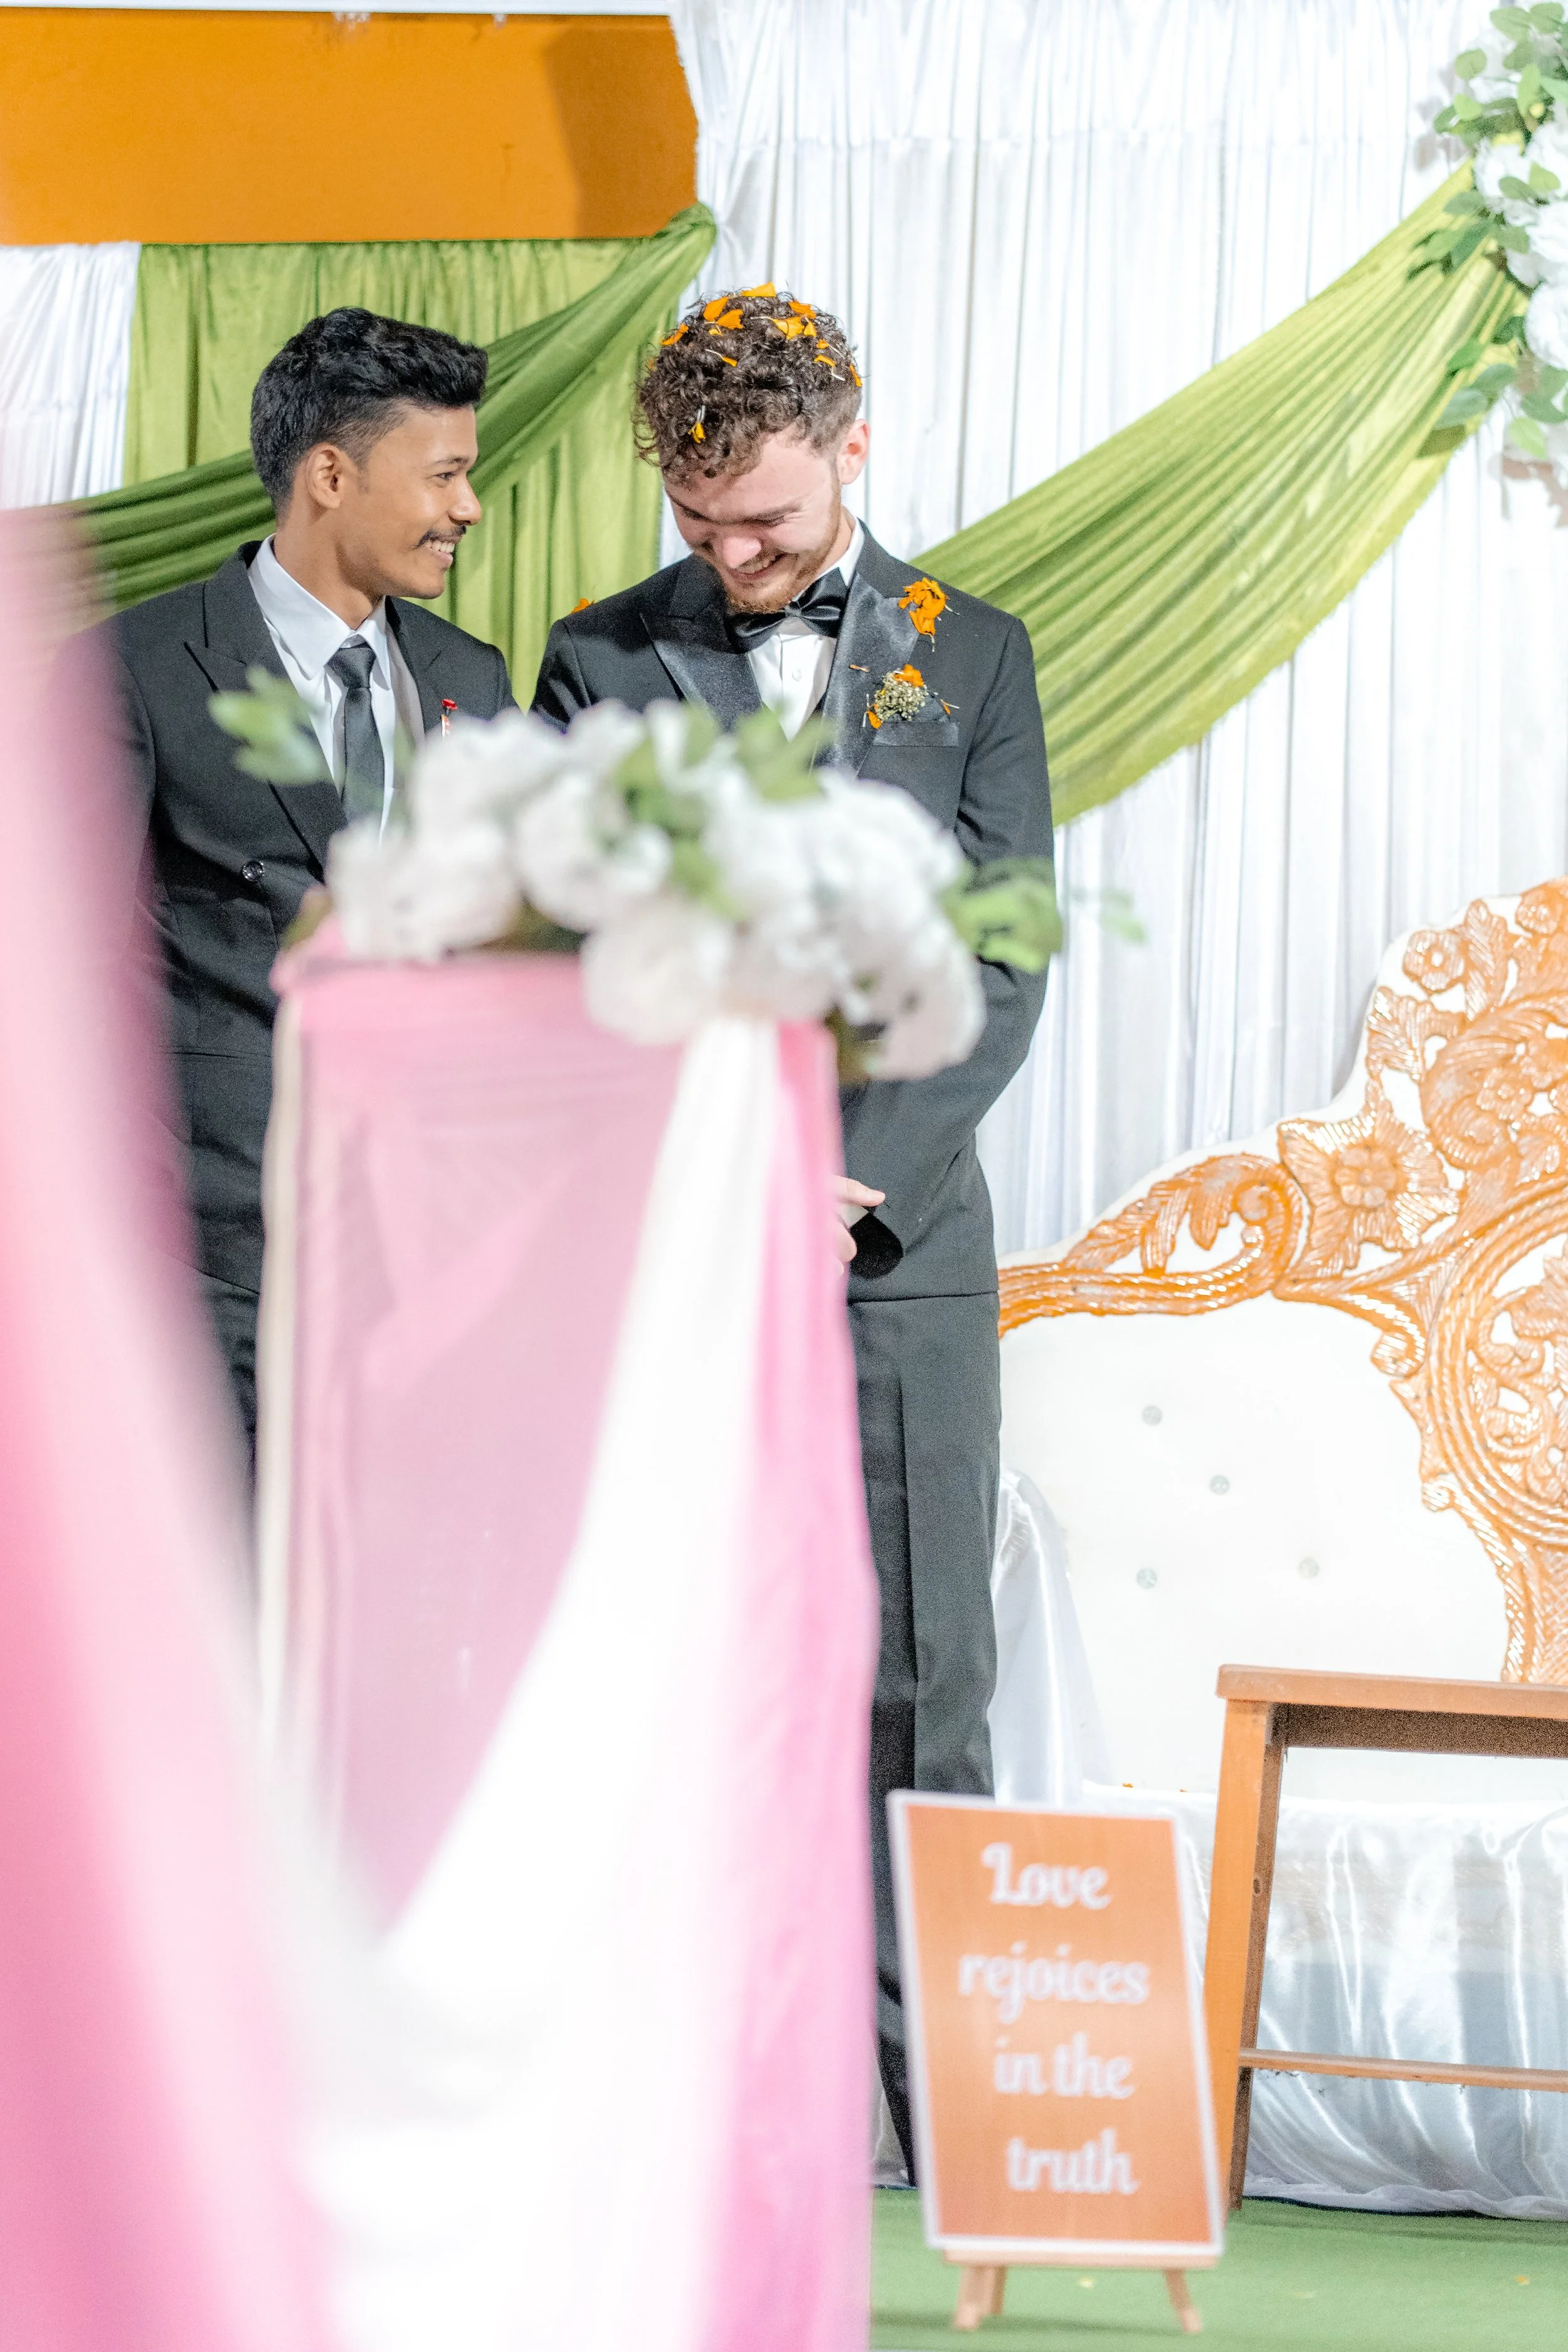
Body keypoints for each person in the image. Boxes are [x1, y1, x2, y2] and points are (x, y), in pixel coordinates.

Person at [532, 288, 1053, 2177]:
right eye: (702, 530)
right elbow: (579, 955)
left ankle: (938, 2123)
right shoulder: (595, 660)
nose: (737, 563)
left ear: (853, 445)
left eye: (765, 522)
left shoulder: (965, 650)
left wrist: (861, 1176)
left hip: (900, 1245)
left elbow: (1002, 954)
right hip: (673, 1231)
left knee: (922, 1676)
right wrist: (727, 1157)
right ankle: (707, 2100)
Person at [76, 309, 517, 1454]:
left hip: (429, 1272)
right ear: (332, 474)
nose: (468, 508)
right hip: (210, 1270)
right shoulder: (133, 669)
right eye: (445, 475)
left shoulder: (474, 678)